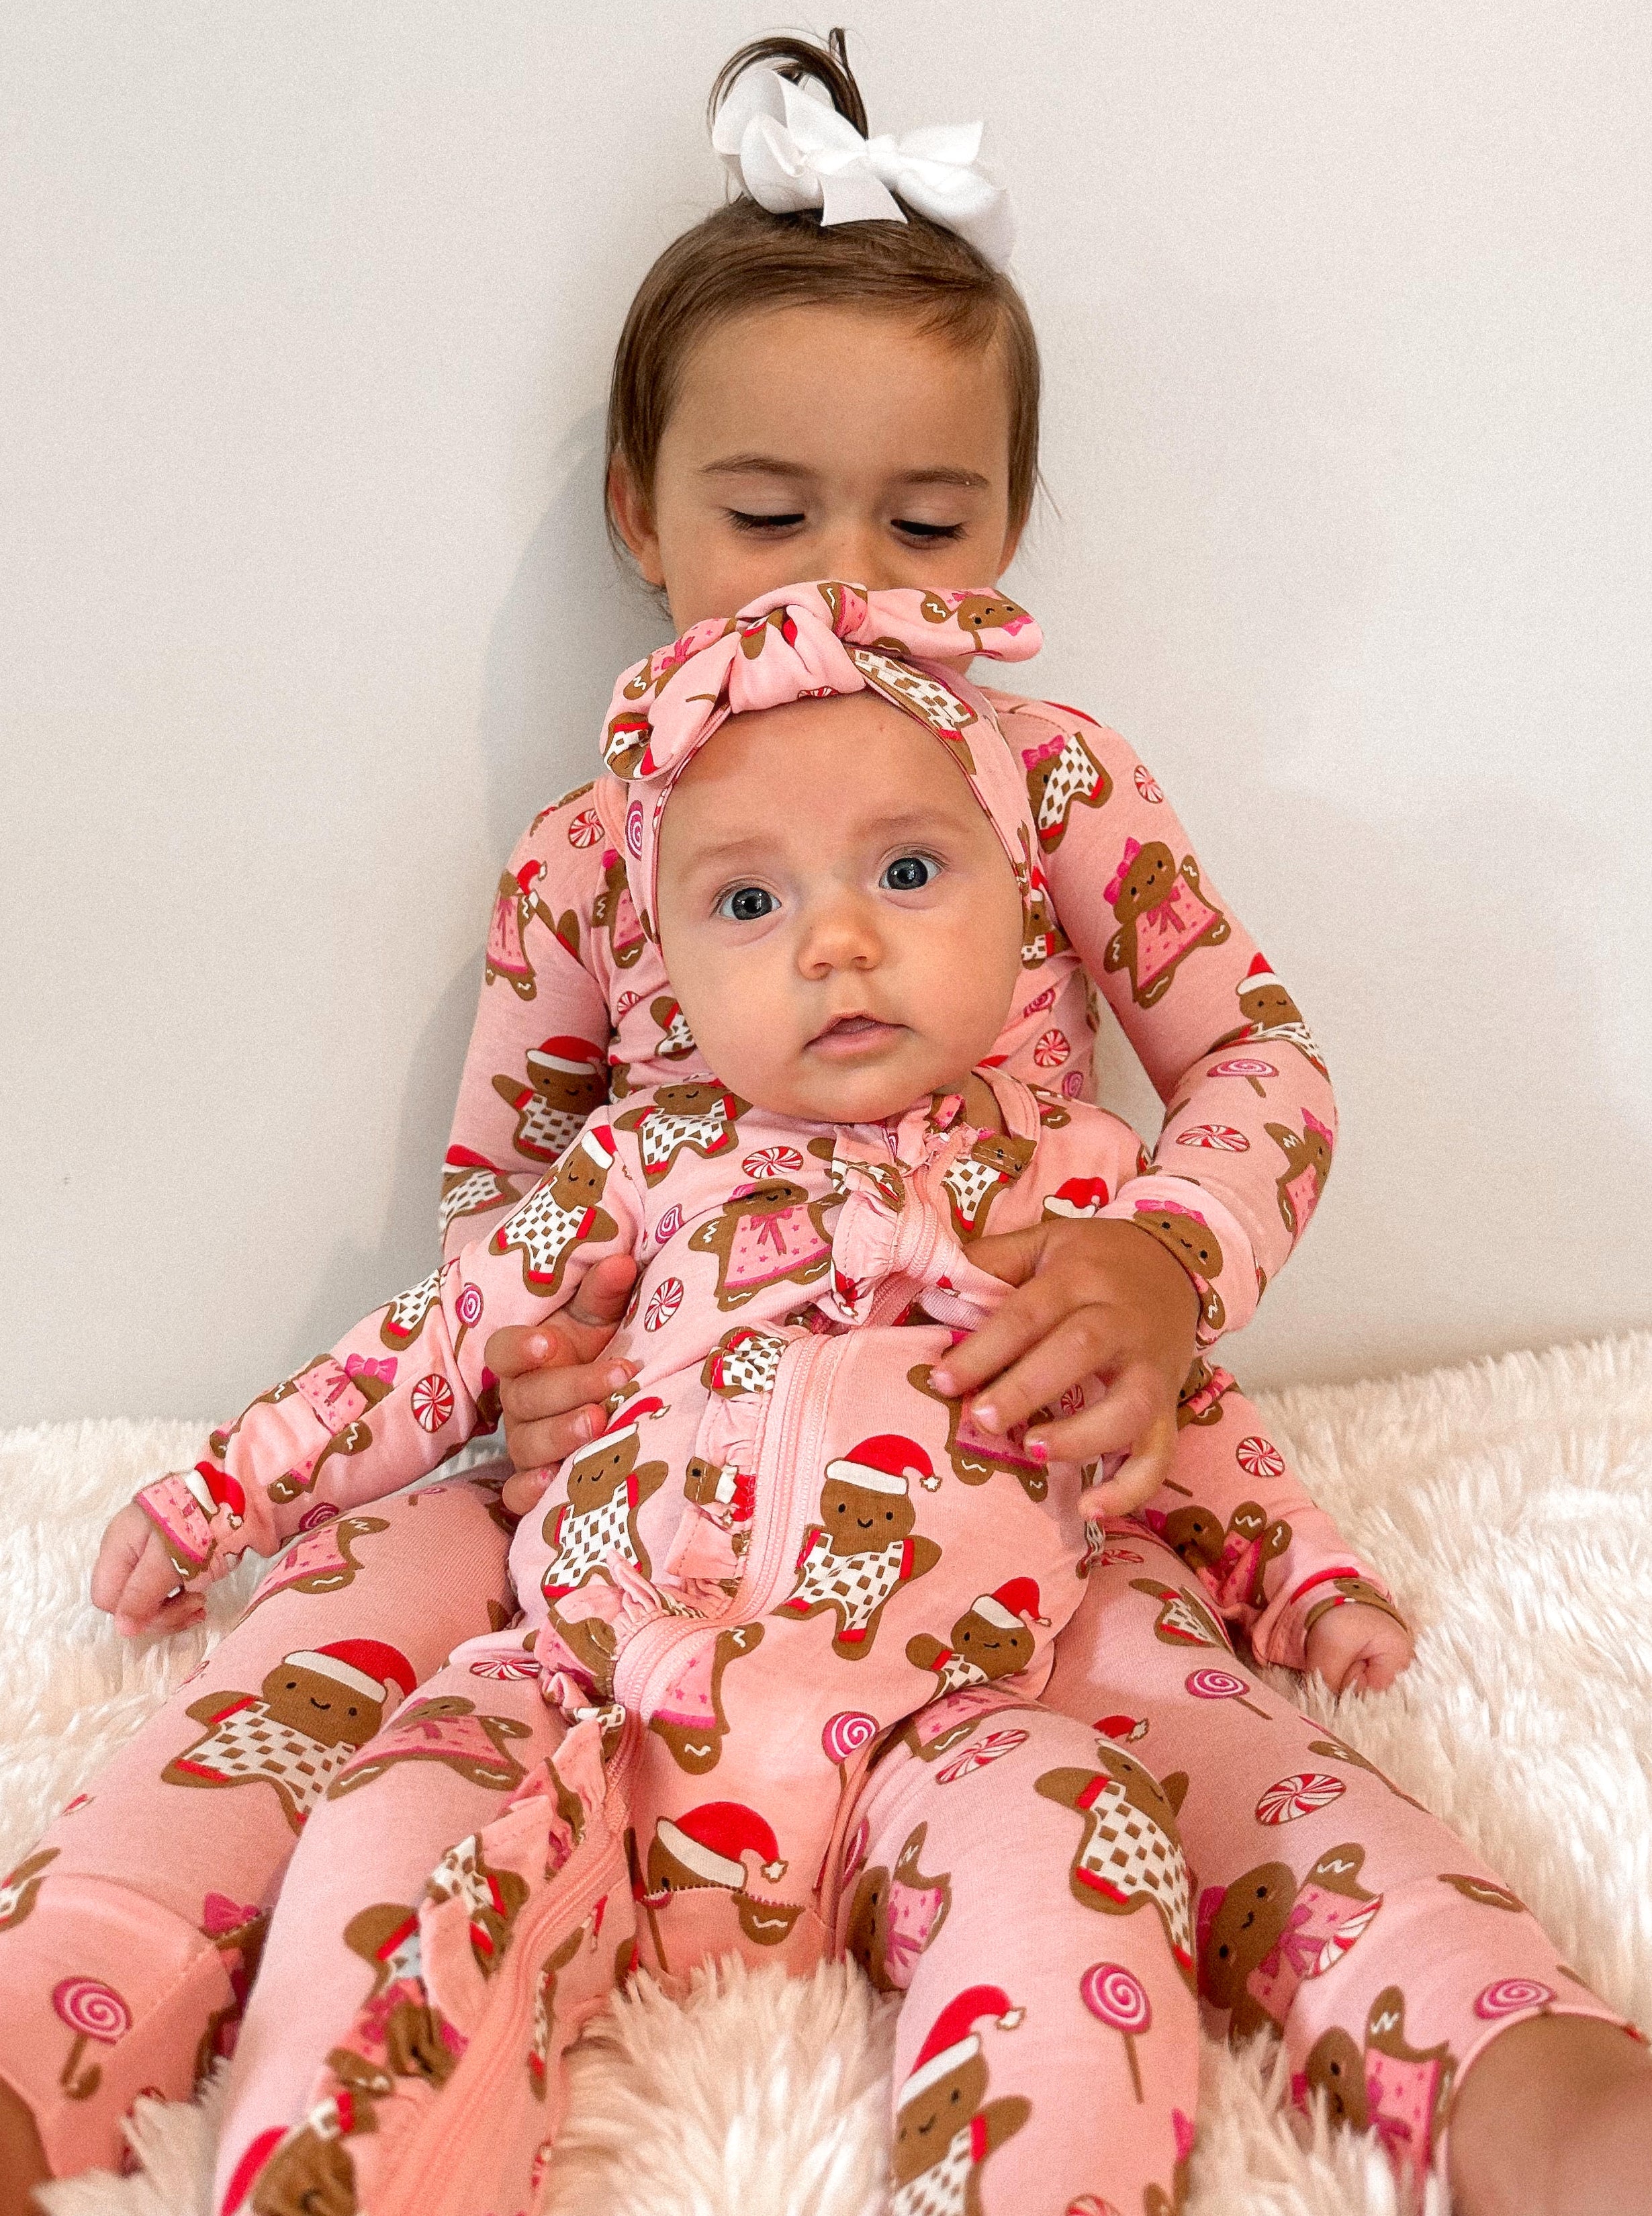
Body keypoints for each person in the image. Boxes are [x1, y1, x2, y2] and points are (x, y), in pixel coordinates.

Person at [1, 32, 1646, 2216]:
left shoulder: (1048, 776)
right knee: (326, 1651)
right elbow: (504, 1187)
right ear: (641, 512)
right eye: (765, 515)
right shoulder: (595, 842)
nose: (830, 574)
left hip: (1005, 1458)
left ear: (1004, 536)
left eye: (921, 518)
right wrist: (538, 1355)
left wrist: (1158, 1259)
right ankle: (56, 2034)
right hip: (614, 1494)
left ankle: (1522, 2071)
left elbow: (1253, 1060)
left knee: (1215, 1764)